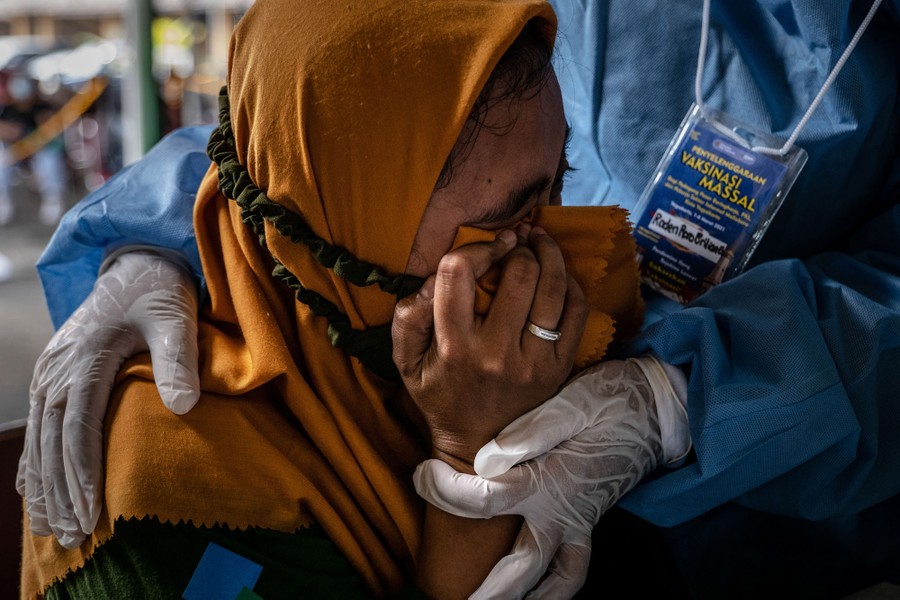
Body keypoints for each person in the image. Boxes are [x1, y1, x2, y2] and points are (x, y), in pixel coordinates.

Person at [21, 0, 900, 596]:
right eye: (518, 220)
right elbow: (330, 90)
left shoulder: (423, 391)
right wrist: (151, 226)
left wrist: (690, 396)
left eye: (559, 189)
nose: (575, 263)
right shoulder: (170, 493)